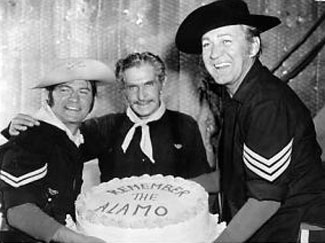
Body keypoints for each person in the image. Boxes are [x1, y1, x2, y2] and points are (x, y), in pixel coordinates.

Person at [175, 0, 325, 242]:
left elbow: (265, 201)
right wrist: (176, 187)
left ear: (252, 45)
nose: (214, 54)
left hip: (294, 229)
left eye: (226, 41)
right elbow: (228, 177)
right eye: (207, 44)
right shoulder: (237, 95)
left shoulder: (266, 104)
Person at [3, 52, 219, 193]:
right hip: (116, 231)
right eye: (132, 87)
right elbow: (57, 141)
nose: (141, 95)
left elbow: (199, 186)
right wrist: (14, 132)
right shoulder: (105, 127)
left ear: (162, 83)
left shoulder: (184, 125)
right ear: (123, 89)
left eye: (148, 85)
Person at [0, 58, 114, 243]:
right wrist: (78, 240)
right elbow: (18, 211)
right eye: (64, 90)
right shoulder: (31, 136)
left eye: (83, 91)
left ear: (93, 100)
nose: (74, 99)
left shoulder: (75, 137)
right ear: (48, 96)